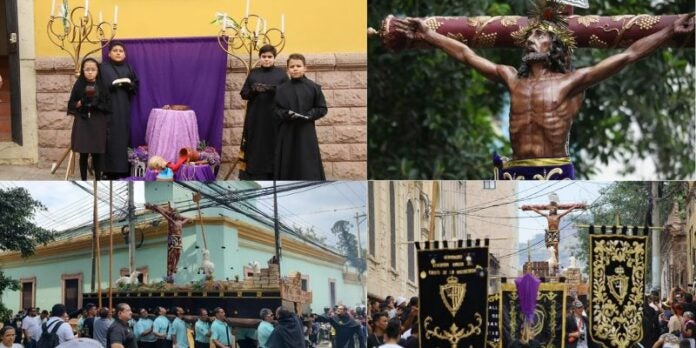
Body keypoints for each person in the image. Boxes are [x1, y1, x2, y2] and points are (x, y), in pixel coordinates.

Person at [393, 9, 695, 180]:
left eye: (539, 36)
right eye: (529, 36)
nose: (531, 41)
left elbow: (628, 55)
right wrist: (428, 33)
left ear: (555, 46)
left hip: (555, 171)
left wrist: (668, 32)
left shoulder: (571, 82)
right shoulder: (511, 78)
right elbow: (466, 55)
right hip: (512, 172)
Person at [273, 53, 328, 180]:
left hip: (305, 131)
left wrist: (310, 115)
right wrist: (286, 114)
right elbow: (275, 110)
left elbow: (322, 108)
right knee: (287, 160)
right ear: (287, 69)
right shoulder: (281, 89)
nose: (295, 69)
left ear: (305, 68)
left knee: (307, 161)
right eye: (292, 66)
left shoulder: (314, 87)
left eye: (298, 66)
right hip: (287, 131)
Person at [238, 44, 289, 180]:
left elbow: (288, 94)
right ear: (260, 58)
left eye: (269, 57)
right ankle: (254, 172)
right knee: (256, 144)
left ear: (274, 58)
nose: (266, 59)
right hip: (256, 118)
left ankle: (273, 172)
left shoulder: (281, 74)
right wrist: (254, 90)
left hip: (274, 117)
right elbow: (244, 94)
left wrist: (274, 89)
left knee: (273, 143)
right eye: (264, 57)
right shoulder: (254, 73)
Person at [67, 57, 111, 181]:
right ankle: (83, 179)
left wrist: (97, 104)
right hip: (83, 121)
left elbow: (108, 105)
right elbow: (71, 105)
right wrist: (82, 101)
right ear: (83, 70)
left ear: (98, 71)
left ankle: (98, 179)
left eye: (93, 69)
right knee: (83, 153)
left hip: (98, 122)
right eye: (87, 69)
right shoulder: (79, 84)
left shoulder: (102, 85)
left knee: (97, 154)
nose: (90, 72)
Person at [100, 41, 139, 179]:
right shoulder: (102, 68)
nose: (118, 53)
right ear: (109, 53)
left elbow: (135, 85)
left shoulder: (128, 67)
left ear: (124, 54)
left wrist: (128, 85)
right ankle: (107, 170)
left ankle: (122, 169)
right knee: (108, 138)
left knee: (122, 138)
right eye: (115, 50)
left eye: (121, 51)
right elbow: (96, 86)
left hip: (123, 108)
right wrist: (110, 87)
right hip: (108, 109)